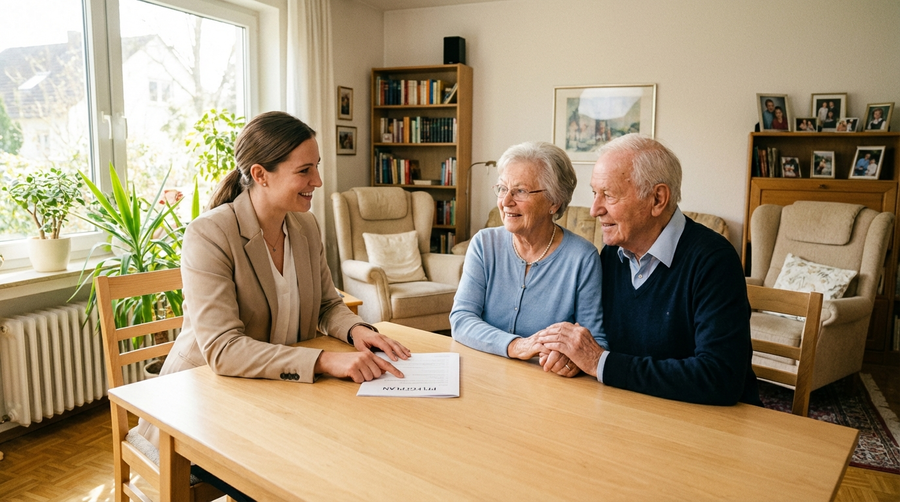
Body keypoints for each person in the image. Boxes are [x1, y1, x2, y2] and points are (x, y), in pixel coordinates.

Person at [137, 111, 411, 444]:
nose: (318, 181)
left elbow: (327, 305)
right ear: (260, 175)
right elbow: (224, 349)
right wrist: (324, 361)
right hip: (200, 403)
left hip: (275, 394)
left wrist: (356, 330)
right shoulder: (209, 234)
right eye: (304, 171)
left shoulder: (306, 226)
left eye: (317, 167)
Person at [536, 134, 760, 406]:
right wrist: (571, 355)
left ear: (657, 199)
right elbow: (595, 340)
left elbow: (720, 378)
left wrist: (600, 363)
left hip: (711, 420)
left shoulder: (714, 260)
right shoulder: (612, 254)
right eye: (595, 193)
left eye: (609, 195)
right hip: (634, 407)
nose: (594, 210)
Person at [450, 141, 605, 377]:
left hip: (544, 383)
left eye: (520, 191)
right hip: (481, 372)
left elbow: (595, 341)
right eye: (502, 188)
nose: (506, 201)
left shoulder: (582, 258)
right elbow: (461, 319)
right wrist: (517, 346)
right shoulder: (484, 244)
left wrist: (572, 360)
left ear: (554, 201)